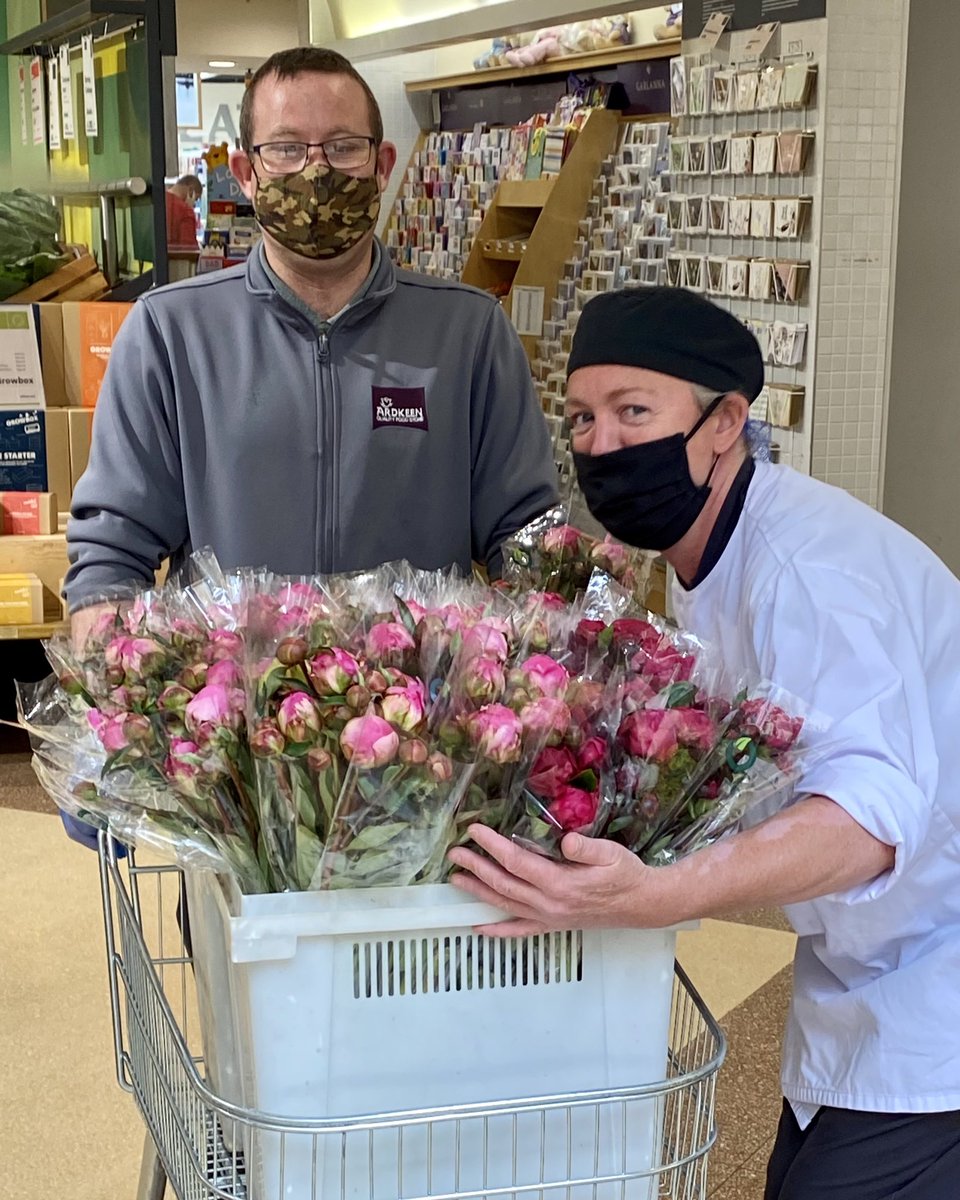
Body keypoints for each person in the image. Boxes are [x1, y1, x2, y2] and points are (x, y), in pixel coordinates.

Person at [449, 287, 960, 1200]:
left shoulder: (807, 571)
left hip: (938, 972)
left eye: (635, 412)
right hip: (865, 962)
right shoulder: (703, 552)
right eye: (583, 419)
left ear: (725, 421)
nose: (602, 444)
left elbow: (868, 819)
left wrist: (662, 894)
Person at [65, 46, 558, 644]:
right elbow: (112, 555)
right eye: (287, 149)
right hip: (230, 719)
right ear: (246, 174)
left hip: (414, 721)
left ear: (382, 164)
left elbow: (529, 546)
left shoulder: (470, 334)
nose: (316, 171)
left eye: (343, 146)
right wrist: (119, 677)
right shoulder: (171, 334)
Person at [165, 173, 202, 248]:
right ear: (191, 191)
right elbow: (189, 248)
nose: (194, 204)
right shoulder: (185, 211)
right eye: (196, 199)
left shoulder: (157, 201)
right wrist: (189, 209)